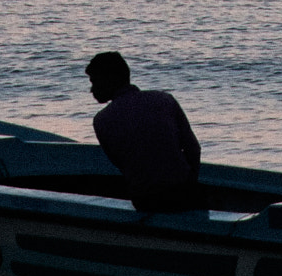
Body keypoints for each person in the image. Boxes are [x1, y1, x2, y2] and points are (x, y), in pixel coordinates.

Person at [85, 50, 204, 212]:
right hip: (185, 192)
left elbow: (124, 165)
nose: (91, 90)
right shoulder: (165, 99)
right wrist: (191, 182)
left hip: (146, 201)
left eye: (94, 82)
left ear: (109, 80)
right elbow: (193, 149)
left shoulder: (102, 120)